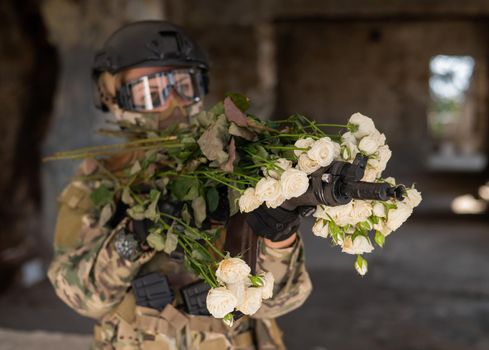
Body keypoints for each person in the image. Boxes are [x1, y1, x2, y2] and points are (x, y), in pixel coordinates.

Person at [47, 20, 312, 350]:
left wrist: (280, 240)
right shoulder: (100, 181)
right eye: (152, 91)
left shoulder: (238, 168)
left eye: (183, 86)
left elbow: (278, 302)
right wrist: (133, 238)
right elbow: (82, 299)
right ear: (113, 95)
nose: (172, 103)